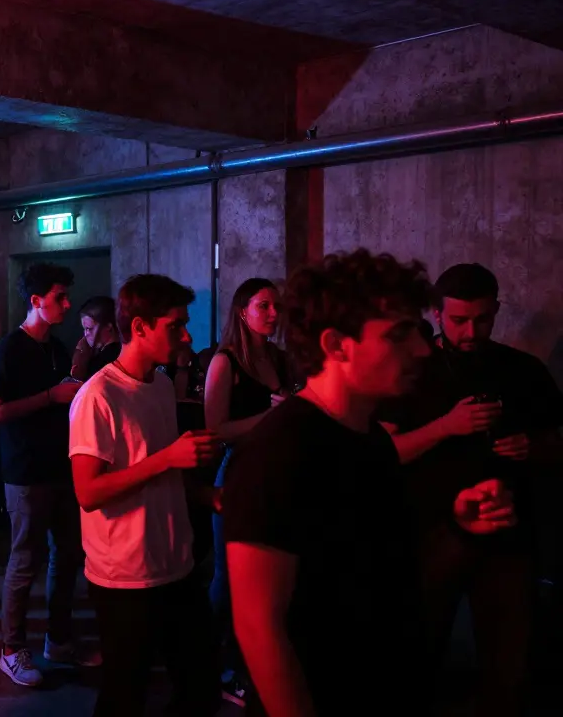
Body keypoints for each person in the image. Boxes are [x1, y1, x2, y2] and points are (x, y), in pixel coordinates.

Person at [223, 250, 516, 717]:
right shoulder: (278, 452)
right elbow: (260, 628)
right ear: (337, 344)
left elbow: (371, 558)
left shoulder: (370, 437)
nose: (422, 349)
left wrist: (458, 519)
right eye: (399, 335)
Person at [378, 263, 562, 715]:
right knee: (416, 658)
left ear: (496, 311)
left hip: (507, 537)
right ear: (438, 315)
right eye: (459, 320)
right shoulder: (412, 372)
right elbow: (382, 455)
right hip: (429, 533)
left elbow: (557, 443)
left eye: (482, 319)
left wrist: (533, 447)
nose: (471, 330)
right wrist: (446, 425)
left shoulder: (523, 370)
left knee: (510, 666)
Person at [69, 274, 221, 717]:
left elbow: (156, 467)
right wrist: (170, 459)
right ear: (139, 327)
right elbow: (88, 492)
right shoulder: (98, 396)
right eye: (175, 325)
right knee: (125, 694)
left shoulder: (157, 385)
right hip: (126, 577)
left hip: (176, 562)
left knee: (198, 684)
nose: (187, 336)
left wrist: (204, 494)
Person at [0, 262, 92, 687]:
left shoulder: (58, 346)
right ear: (36, 301)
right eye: (59, 298)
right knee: (25, 559)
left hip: (60, 466)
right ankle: (11, 649)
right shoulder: (10, 348)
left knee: (66, 554)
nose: (66, 304)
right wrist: (51, 395)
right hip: (26, 471)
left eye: (67, 297)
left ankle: (58, 638)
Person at [202, 277, 288, 706]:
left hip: (277, 473)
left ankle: (251, 663)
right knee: (228, 577)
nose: (273, 313)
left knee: (268, 576)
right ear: (242, 310)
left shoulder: (278, 357)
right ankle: (213, 665)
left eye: (276, 306)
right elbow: (215, 430)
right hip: (237, 472)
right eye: (264, 306)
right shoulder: (226, 361)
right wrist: (268, 419)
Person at [70, 296, 121, 381]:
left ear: (108, 326)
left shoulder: (100, 363)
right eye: (84, 329)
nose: (86, 334)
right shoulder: (123, 351)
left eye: (89, 328)